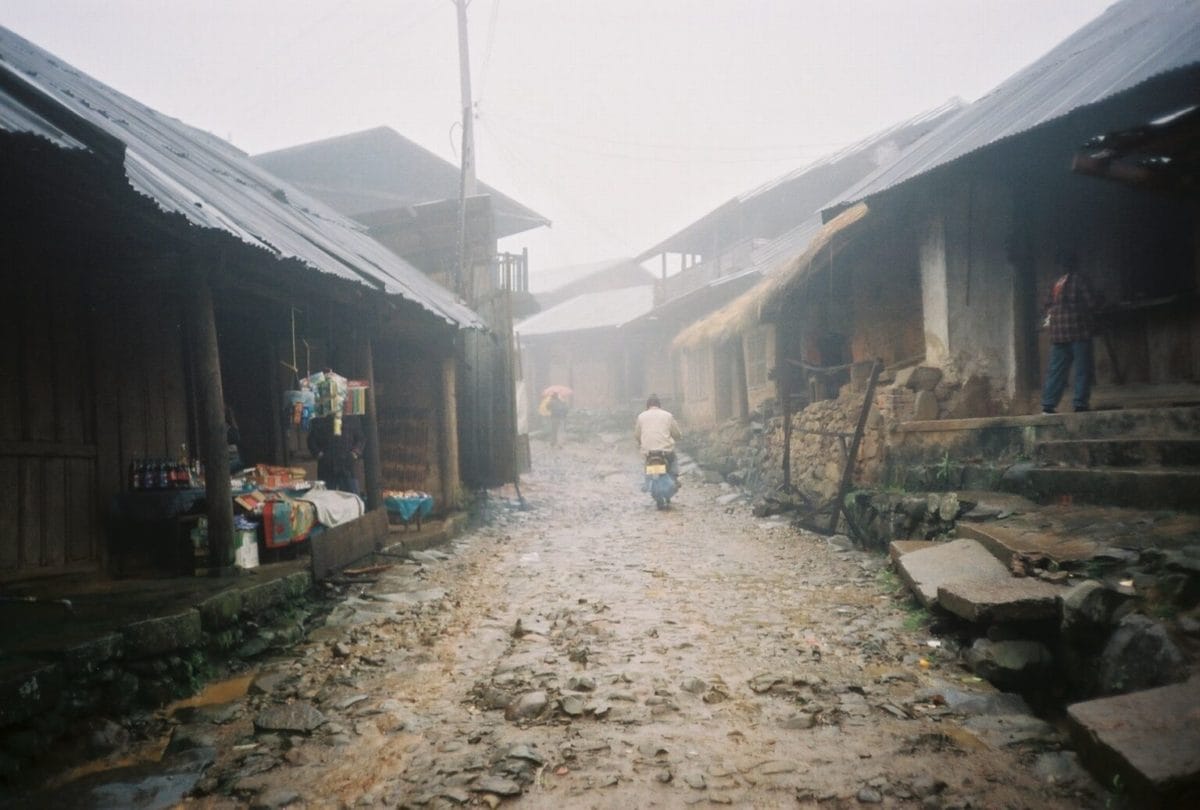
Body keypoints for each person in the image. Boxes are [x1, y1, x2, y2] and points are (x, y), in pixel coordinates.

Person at [1040, 254, 1102, 414]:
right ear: (1074, 264)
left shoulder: (1054, 283)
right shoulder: (1079, 280)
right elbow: (1091, 303)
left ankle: (1048, 405)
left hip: (1058, 333)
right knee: (1082, 369)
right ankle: (1080, 404)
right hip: (1078, 330)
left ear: (1059, 266)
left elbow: (1046, 305)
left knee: (1056, 370)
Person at [307, 414, 364, 494]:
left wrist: (354, 453)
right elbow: (311, 441)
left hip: (347, 464)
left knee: (351, 495)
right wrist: (319, 454)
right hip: (327, 464)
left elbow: (360, 439)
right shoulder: (320, 420)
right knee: (326, 495)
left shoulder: (352, 419)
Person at [635, 394, 682, 480]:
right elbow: (677, 434)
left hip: (648, 452)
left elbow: (637, 435)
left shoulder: (641, 416)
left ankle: (647, 480)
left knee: (645, 466)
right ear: (659, 405)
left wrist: (641, 443)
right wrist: (677, 438)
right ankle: (675, 479)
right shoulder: (668, 415)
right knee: (673, 461)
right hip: (665, 452)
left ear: (647, 406)